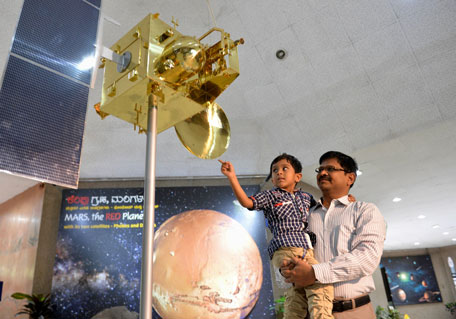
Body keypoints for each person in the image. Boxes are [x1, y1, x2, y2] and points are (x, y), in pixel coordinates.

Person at [219, 153, 334, 319]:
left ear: (298, 176)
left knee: (297, 293)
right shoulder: (271, 196)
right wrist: (231, 177)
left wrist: (343, 200)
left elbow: (322, 210)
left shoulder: (306, 197)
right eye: (275, 170)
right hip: (287, 249)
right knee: (319, 282)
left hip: (306, 249)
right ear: (272, 180)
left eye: (284, 168)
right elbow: (246, 202)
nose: (279, 172)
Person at [281, 151, 387, 319]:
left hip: (355, 311)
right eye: (320, 169)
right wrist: (287, 269)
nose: (323, 173)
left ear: (350, 178)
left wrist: (314, 273)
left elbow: (367, 258)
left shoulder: (364, 211)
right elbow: (290, 249)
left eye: (330, 169)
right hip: (312, 312)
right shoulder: (303, 216)